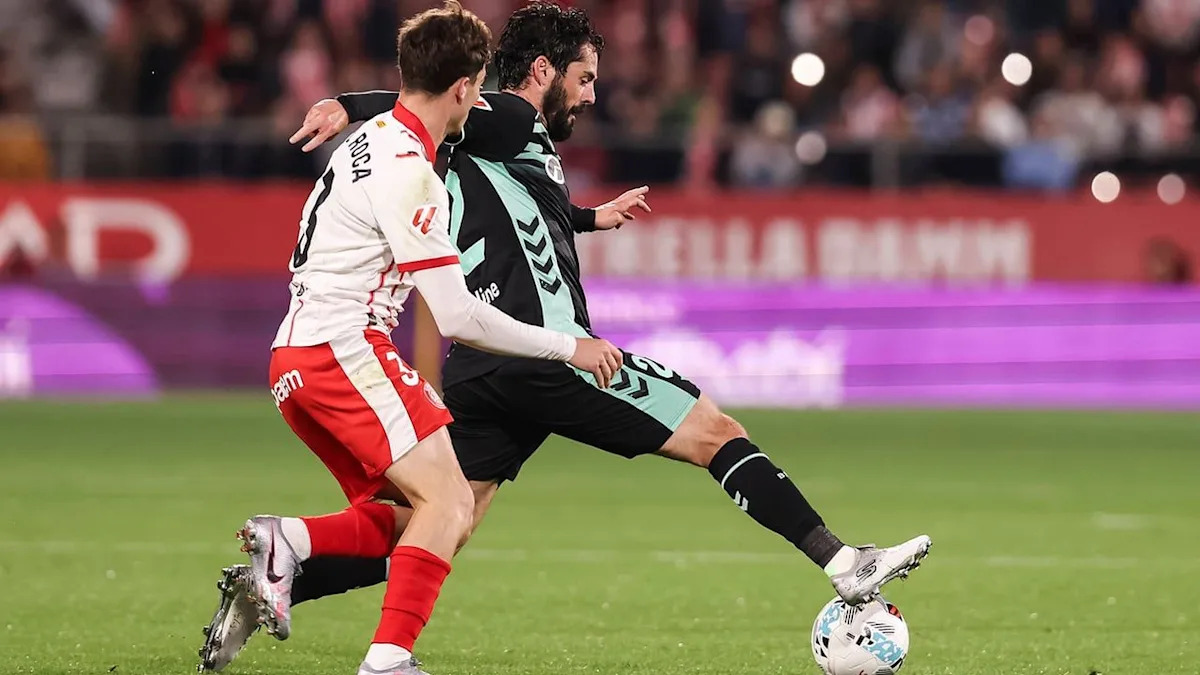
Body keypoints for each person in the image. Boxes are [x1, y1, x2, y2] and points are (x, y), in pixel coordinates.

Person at [199, 3, 931, 671]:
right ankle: (843, 563)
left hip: (482, 366)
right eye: (584, 78)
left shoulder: (485, 144)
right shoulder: (508, 116)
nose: (590, 95)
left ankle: (283, 572)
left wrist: (588, 217)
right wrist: (349, 103)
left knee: (432, 521)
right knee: (715, 431)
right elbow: (429, 98)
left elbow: (492, 168)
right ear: (540, 72)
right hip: (543, 351)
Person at [197, 4, 624, 674]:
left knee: (413, 516)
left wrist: (587, 219)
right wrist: (569, 346)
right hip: (345, 352)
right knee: (451, 504)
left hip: (296, 360)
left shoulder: (368, 140)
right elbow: (457, 317)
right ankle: (385, 656)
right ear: (462, 87)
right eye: (478, 90)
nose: (479, 103)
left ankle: (290, 550)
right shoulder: (410, 172)